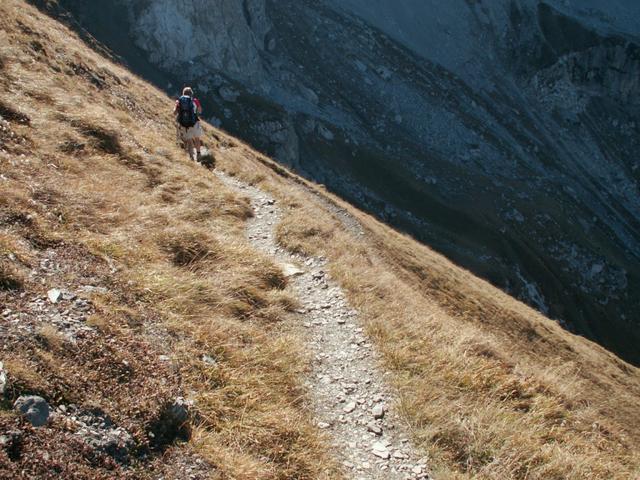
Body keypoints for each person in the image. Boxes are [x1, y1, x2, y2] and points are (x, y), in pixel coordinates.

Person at [174, 87, 203, 161]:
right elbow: (199, 111)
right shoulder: (195, 100)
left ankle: (191, 157)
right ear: (191, 94)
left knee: (189, 140)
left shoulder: (179, 101)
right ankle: (198, 154)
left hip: (184, 124)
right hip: (194, 122)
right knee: (197, 138)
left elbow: (174, 112)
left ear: (183, 94)